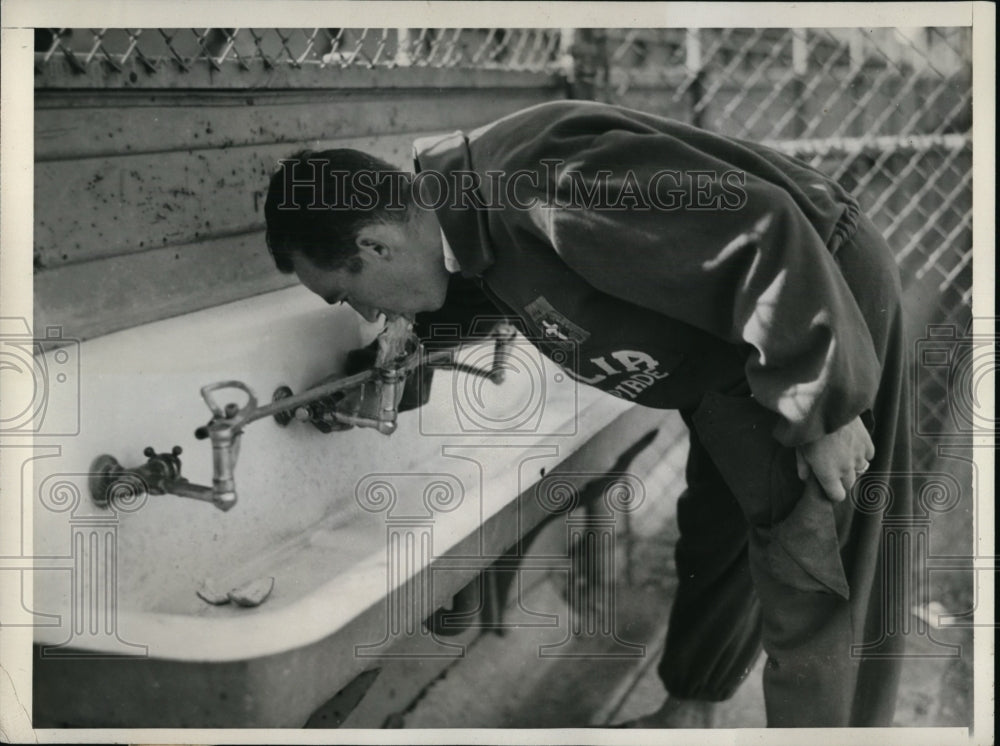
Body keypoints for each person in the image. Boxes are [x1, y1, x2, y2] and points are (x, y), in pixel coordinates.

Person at [263, 99, 912, 728]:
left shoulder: (546, 183)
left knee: (817, 570)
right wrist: (392, 366)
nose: (366, 315)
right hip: (720, 354)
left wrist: (822, 402)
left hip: (810, 306)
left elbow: (758, 232)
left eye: (346, 296)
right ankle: (690, 711)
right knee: (719, 541)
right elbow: (489, 281)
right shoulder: (457, 219)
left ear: (375, 246)